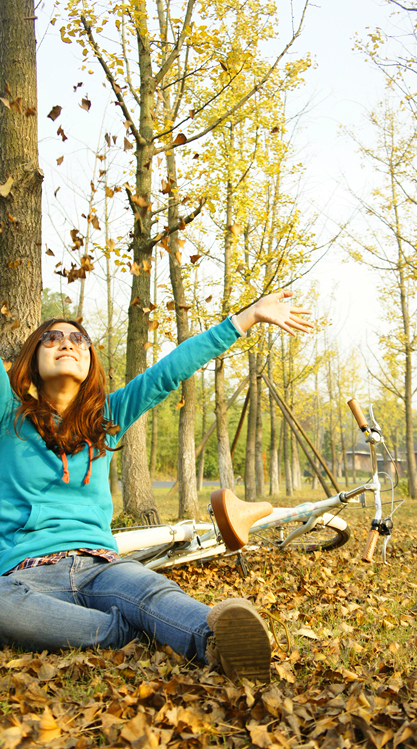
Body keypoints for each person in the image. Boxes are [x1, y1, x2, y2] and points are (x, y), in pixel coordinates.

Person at [0, 291, 313, 683]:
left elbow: (170, 370)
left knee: (152, 592)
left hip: (102, 568)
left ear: (90, 361)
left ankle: (217, 640)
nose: (67, 342)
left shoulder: (109, 416)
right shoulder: (7, 416)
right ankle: (125, 633)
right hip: (26, 576)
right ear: (32, 357)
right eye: (52, 337)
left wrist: (247, 317)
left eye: (79, 338)